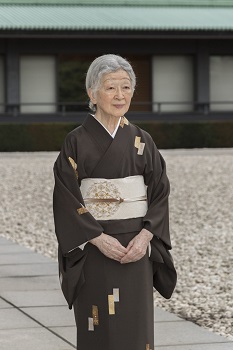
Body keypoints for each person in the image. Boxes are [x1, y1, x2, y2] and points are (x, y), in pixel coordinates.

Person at [53, 54, 176, 350]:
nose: (119, 95)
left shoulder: (142, 140)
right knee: (98, 322)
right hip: (96, 247)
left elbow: (159, 191)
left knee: (136, 325)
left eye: (126, 87)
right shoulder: (76, 141)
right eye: (110, 88)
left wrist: (146, 236)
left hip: (135, 245)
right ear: (92, 94)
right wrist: (96, 237)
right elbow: (66, 194)